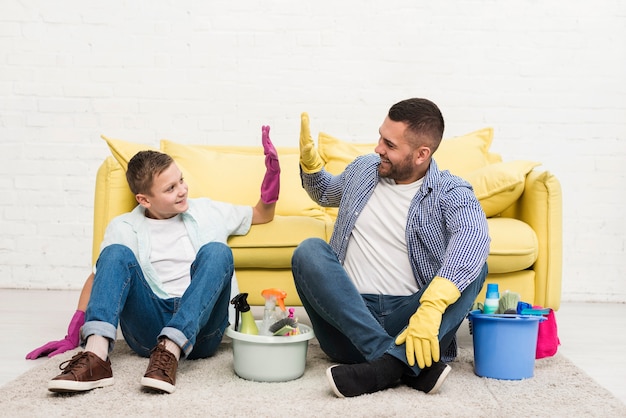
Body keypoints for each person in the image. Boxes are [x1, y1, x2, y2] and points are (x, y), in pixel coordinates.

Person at [26, 125, 280, 394]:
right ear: (144, 199)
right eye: (170, 188)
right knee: (113, 253)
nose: (182, 190)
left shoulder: (208, 210)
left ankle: (171, 348)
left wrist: (273, 177)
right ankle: (96, 356)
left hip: (201, 331)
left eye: (181, 180)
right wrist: (74, 330)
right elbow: (100, 276)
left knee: (217, 251)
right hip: (147, 330)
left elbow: (261, 214)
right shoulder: (123, 226)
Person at [291, 98, 490, 398]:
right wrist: (310, 164)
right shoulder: (364, 169)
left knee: (476, 268)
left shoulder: (450, 191)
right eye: (380, 137)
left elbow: (473, 234)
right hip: (346, 322)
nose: (377, 148)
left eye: (389, 144)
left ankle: (382, 368)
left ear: (422, 154)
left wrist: (432, 306)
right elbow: (325, 192)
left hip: (410, 322)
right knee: (308, 251)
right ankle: (399, 362)